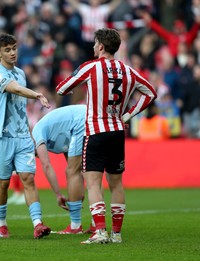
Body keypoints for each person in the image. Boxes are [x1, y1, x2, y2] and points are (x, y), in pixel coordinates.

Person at [56, 28, 157, 244]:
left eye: (94, 44)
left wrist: (77, 77)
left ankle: (100, 231)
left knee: (93, 182)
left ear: (101, 46)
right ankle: (117, 234)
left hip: (96, 131)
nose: (93, 47)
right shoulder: (128, 70)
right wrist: (128, 115)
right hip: (118, 131)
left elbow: (61, 89)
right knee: (116, 183)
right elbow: (151, 93)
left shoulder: (90, 67)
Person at [0, 33, 52, 239]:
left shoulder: (21, 73)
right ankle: (1, 223)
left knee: (28, 179)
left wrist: (30, 135)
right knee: (3, 183)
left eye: (14, 48)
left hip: (23, 137)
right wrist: (36, 94)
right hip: (2, 136)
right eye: (7, 50)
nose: (12, 52)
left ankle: (38, 224)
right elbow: (13, 89)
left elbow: (21, 108)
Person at [31, 104, 86, 234]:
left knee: (70, 171)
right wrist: (80, 189)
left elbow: (46, 165)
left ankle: (75, 226)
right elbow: (75, 164)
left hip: (81, 119)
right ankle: (96, 224)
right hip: (87, 116)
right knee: (90, 170)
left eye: (35, 154)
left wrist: (58, 194)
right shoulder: (55, 132)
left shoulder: (36, 133)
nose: (38, 155)